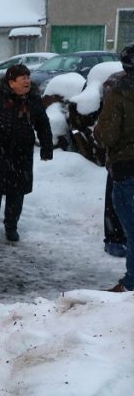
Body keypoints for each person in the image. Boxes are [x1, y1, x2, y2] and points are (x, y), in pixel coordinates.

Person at [0, 64, 53, 242]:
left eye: (28, 77)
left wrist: (46, 148)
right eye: (22, 78)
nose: (27, 81)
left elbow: (43, 125)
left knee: (17, 191)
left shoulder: (33, 100)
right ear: (11, 82)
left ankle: (11, 225)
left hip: (21, 153)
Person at [94, 43, 134, 292]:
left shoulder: (120, 94)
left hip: (127, 167)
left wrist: (98, 131)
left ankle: (131, 283)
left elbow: (107, 135)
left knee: (131, 226)